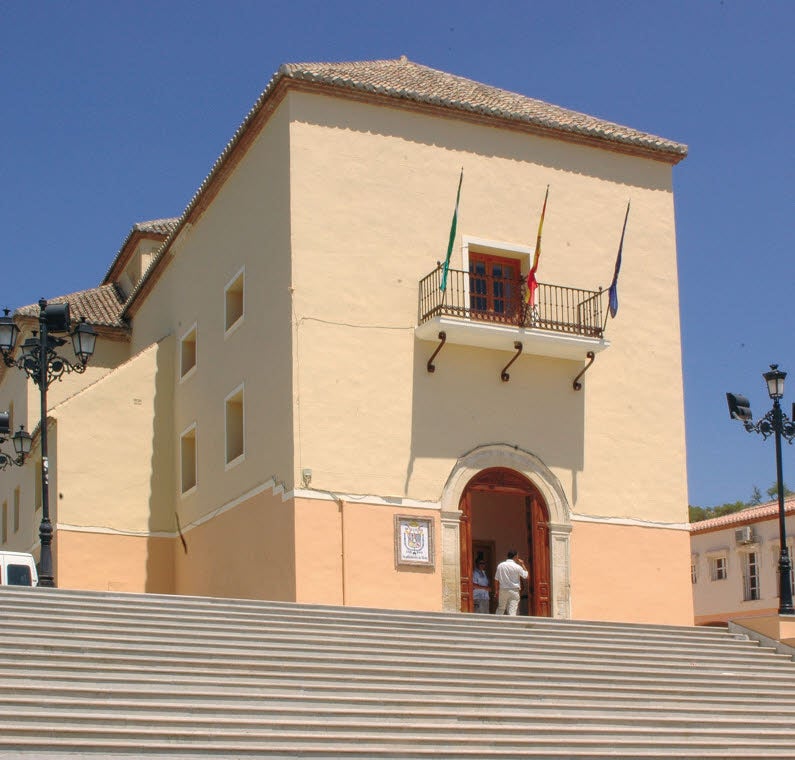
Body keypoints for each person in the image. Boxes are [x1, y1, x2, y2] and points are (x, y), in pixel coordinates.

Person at [493, 550, 528, 616]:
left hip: (503, 589)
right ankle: (511, 625)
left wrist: (496, 591)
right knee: (512, 610)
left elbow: (496, 580)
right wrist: (522, 564)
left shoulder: (501, 565)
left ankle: (497, 623)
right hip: (514, 590)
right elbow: (526, 576)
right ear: (515, 556)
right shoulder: (517, 566)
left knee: (501, 608)